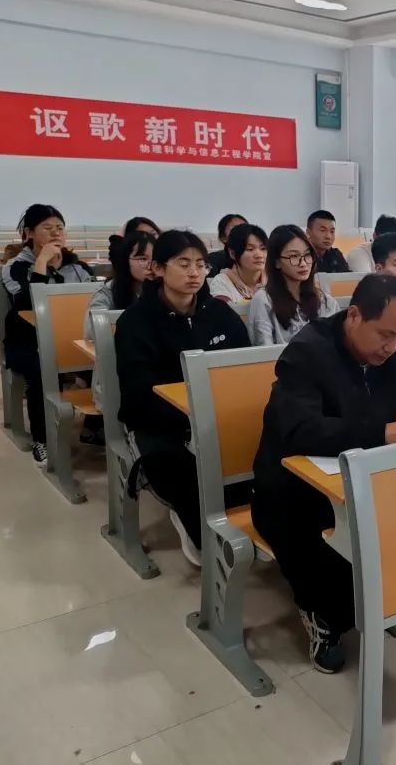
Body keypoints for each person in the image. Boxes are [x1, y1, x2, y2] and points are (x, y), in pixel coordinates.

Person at [252, 275, 396, 673]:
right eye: (385, 335)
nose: (392, 346)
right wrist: (384, 432)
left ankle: (373, 602)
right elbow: (301, 430)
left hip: (361, 481)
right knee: (320, 557)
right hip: (291, 488)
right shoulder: (308, 352)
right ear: (355, 316)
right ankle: (321, 615)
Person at [115, 231, 251, 567]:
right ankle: (195, 525)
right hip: (159, 426)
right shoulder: (136, 322)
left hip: (217, 420)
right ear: (159, 269)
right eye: (183, 263)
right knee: (186, 475)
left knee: (254, 464)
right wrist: (190, 420)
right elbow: (138, 394)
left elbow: (242, 371)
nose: (194, 272)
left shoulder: (220, 315)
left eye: (201, 264)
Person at [2, 204, 94, 465]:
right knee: (40, 370)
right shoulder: (15, 267)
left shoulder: (78, 268)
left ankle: (94, 428)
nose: (56, 233)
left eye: (60, 228)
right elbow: (27, 306)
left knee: (107, 362)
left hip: (71, 339)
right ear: (30, 233)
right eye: (48, 228)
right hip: (27, 340)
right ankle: (42, 439)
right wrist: (41, 263)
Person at [84, 231, 157, 428]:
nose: (149, 265)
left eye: (154, 259)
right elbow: (92, 332)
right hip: (117, 377)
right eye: (142, 258)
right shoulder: (107, 292)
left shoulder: (165, 291)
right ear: (125, 260)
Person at [250, 225, 340, 346]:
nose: (303, 263)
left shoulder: (326, 301)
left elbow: (337, 345)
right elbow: (264, 350)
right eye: (294, 256)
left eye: (307, 255)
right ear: (276, 262)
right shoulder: (264, 300)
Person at [208, 223, 268, 303]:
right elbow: (223, 310)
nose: (259, 255)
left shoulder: (275, 279)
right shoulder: (222, 282)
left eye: (263, 248)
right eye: (250, 249)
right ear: (233, 254)